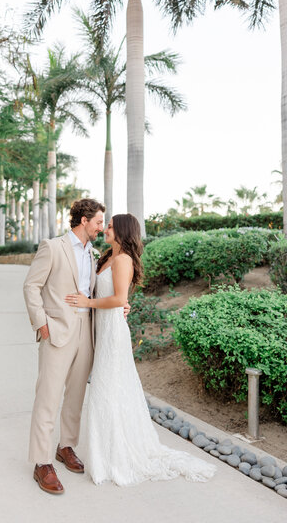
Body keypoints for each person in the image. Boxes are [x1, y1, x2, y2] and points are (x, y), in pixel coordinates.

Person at [65, 214, 217, 486]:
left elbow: (120, 299)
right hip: (102, 330)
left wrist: (87, 303)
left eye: (110, 226)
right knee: (107, 392)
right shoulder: (107, 257)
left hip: (113, 334)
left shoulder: (123, 260)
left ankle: (114, 459)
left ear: (122, 231)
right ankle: (108, 454)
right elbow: (113, 297)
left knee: (106, 392)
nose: (106, 229)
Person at [23, 198, 130, 495]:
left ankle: (66, 446)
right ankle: (41, 462)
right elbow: (31, 286)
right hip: (56, 329)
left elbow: (106, 291)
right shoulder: (53, 247)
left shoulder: (94, 253)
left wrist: (123, 305)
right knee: (48, 395)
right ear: (84, 221)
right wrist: (41, 323)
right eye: (98, 222)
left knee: (76, 395)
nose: (101, 227)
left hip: (88, 330)